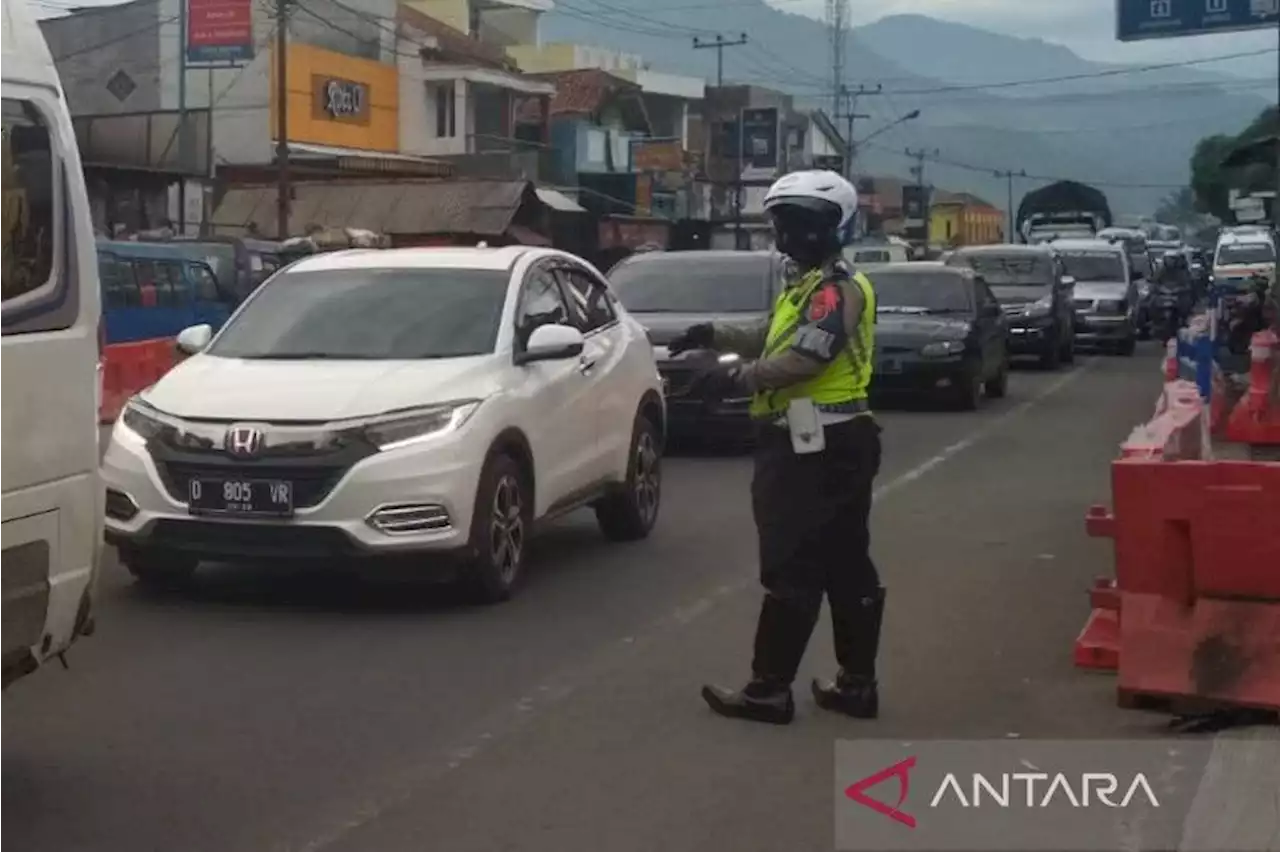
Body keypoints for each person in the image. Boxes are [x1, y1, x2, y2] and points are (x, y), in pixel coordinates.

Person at [666, 170, 884, 726]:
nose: (786, 235)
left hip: (813, 445)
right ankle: (856, 686)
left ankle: (769, 691)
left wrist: (734, 380)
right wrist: (712, 334)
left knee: (792, 565)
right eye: (782, 223)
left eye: (798, 224)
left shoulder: (834, 290)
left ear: (831, 227)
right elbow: (772, 333)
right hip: (836, 441)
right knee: (845, 565)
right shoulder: (810, 286)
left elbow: (806, 359)